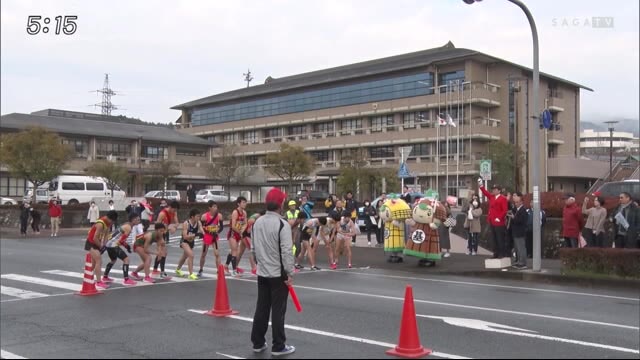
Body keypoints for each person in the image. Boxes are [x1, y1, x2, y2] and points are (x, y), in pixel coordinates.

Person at [250, 187, 296, 356]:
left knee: (261, 307)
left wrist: (259, 263)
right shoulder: (282, 224)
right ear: (280, 203)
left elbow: (253, 249)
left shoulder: (257, 222)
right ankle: (278, 345)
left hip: (262, 272)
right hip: (278, 273)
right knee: (278, 310)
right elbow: (286, 251)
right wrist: (289, 273)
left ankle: (258, 342)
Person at [102, 213, 141, 286]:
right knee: (126, 260)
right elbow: (121, 241)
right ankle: (126, 279)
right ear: (133, 220)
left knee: (113, 260)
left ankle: (105, 277)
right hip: (113, 245)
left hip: (108, 243)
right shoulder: (128, 227)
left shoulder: (126, 224)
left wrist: (127, 246)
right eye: (138, 219)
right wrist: (127, 247)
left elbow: (121, 239)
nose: (139, 221)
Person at [84, 210, 118, 289]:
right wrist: (101, 246)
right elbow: (94, 237)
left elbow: (106, 235)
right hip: (91, 242)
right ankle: (99, 282)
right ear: (110, 219)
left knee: (93, 263)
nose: (112, 223)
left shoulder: (108, 223)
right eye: (113, 221)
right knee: (99, 260)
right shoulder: (100, 223)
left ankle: (88, 278)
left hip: (97, 243)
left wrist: (105, 245)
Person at [478, 178, 508, 258]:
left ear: (499, 190)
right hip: (492, 221)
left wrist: (499, 217)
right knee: (493, 238)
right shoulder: (492, 197)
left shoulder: (503, 199)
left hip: (499, 222)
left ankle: (502, 253)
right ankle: (496, 253)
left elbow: (505, 210)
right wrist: (481, 186)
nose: (493, 191)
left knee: (500, 238)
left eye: (495, 189)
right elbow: (485, 192)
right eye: (493, 189)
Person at [175, 209, 204, 280]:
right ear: (192, 217)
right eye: (197, 216)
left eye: (199, 216)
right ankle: (191, 274)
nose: (199, 218)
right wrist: (196, 234)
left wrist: (203, 234)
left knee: (184, 257)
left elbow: (202, 230)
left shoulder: (199, 222)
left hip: (191, 242)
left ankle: (178, 269)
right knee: (191, 255)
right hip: (184, 241)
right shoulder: (186, 223)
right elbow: (185, 236)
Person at [153, 200, 180, 277]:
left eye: (176, 210)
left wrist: (174, 227)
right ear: (170, 207)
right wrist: (161, 234)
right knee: (163, 252)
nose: (175, 211)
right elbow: (156, 226)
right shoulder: (162, 214)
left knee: (162, 253)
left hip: (164, 233)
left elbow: (177, 223)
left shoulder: (174, 212)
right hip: (159, 234)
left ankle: (156, 269)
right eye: (174, 209)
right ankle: (161, 271)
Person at [199, 200, 223, 277]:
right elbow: (201, 227)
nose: (216, 208)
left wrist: (217, 232)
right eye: (214, 206)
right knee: (203, 254)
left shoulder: (219, 216)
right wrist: (207, 232)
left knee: (217, 254)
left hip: (215, 237)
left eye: (216, 206)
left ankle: (219, 270)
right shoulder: (204, 216)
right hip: (207, 236)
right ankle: (201, 269)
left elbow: (221, 227)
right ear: (210, 208)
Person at [226, 196, 248, 276]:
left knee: (232, 251)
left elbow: (246, 222)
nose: (245, 204)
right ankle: (234, 270)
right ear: (238, 203)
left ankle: (226, 266)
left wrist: (243, 230)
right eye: (243, 202)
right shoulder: (235, 212)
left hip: (239, 232)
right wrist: (239, 231)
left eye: (245, 202)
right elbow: (233, 225)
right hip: (233, 233)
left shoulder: (244, 212)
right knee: (235, 251)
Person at [509, 192, 528, 269]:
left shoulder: (523, 210)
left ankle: (523, 262)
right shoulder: (516, 210)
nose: (516, 204)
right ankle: (518, 261)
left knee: (521, 248)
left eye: (517, 202)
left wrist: (514, 218)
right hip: (515, 232)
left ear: (521, 202)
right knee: (517, 248)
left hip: (520, 232)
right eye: (515, 202)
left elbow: (521, 221)